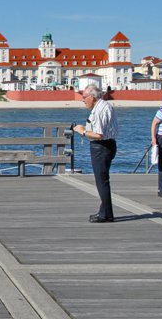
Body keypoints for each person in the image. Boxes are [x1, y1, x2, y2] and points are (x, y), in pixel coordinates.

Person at [73, 85, 119, 223]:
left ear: (92, 97)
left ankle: (106, 215)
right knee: (102, 180)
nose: (83, 100)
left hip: (101, 147)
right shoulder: (104, 106)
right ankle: (105, 211)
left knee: (101, 181)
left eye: (84, 97)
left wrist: (82, 131)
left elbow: (99, 134)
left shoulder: (99, 110)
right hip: (108, 145)